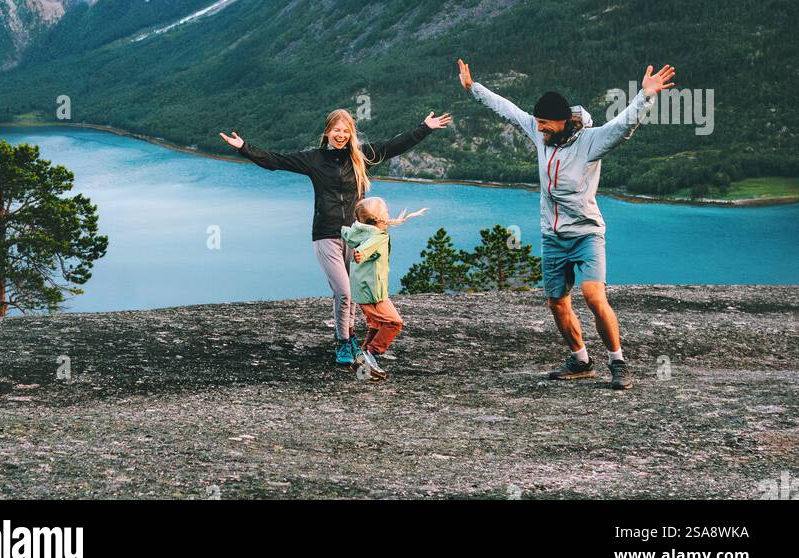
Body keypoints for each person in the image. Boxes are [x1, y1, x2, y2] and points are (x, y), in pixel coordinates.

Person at [457, 58, 676, 390]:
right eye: (538, 123)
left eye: (545, 124)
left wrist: (646, 95)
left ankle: (617, 361)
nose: (540, 128)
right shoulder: (540, 133)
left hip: (586, 234)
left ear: (562, 121)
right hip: (553, 236)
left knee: (593, 295)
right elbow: (507, 109)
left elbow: (624, 125)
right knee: (557, 302)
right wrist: (473, 88)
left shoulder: (590, 141)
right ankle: (581, 360)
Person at [220, 108, 452, 365]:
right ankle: (343, 342)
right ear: (327, 132)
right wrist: (244, 147)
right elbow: (276, 161)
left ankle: (348, 336)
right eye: (336, 130)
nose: (341, 135)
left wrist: (425, 128)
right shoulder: (314, 159)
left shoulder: (361, 156)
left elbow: (396, 144)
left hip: (357, 235)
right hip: (326, 234)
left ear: (351, 133)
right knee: (344, 292)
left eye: (345, 131)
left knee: (352, 293)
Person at [342, 197, 426, 381]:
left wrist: (360, 252)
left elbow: (356, 240)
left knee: (377, 326)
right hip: (373, 293)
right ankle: (370, 353)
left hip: (363, 290)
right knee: (394, 322)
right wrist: (360, 254)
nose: (388, 214)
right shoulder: (378, 237)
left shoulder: (360, 233)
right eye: (386, 211)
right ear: (379, 218)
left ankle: (361, 366)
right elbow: (366, 248)